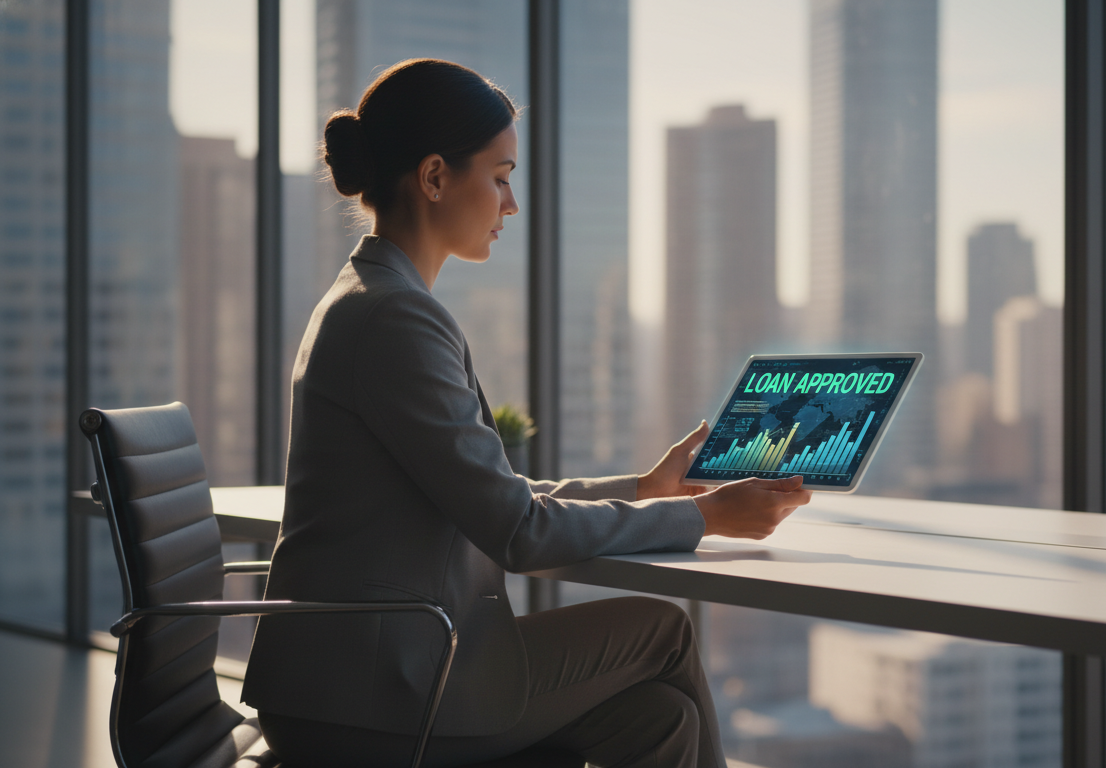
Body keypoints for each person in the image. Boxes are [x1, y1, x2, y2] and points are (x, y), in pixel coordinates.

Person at [240, 58, 812, 768]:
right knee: (663, 629)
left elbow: (495, 500)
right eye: (502, 176)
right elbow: (517, 531)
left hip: (362, 674)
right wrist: (706, 517)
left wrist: (643, 489)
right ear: (435, 177)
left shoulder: (375, 300)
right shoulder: (395, 321)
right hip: (378, 693)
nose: (511, 204)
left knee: (658, 719)